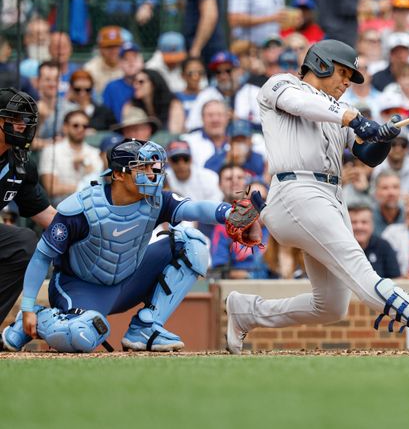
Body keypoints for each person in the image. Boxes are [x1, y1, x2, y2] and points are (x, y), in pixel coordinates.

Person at [225, 39, 409, 356]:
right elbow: (302, 105)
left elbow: (367, 154)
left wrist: (383, 138)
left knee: (330, 306)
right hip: (297, 191)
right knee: (361, 272)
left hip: (330, 197)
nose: (347, 81)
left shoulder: (337, 112)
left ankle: (247, 312)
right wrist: (355, 118)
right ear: (321, 64)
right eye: (343, 72)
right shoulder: (283, 85)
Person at [1, 138, 262, 352]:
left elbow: (196, 208)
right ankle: (38, 319)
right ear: (117, 174)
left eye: (153, 167)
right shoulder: (80, 207)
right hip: (81, 286)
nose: (152, 174)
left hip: (129, 279)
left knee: (192, 244)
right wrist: (26, 307)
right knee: (83, 335)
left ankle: (147, 326)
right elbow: (41, 256)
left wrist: (230, 214)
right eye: (142, 168)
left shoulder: (156, 200)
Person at [0, 89, 57, 327]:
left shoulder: (20, 163)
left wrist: (87, 232)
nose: (21, 125)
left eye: (24, 120)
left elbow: (46, 214)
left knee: (24, 242)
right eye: (12, 118)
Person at [38, 110, 103, 206]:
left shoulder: (95, 153)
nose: (80, 129)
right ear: (65, 127)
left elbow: (99, 187)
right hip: (60, 207)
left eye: (84, 126)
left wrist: (86, 165)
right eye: (75, 125)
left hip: (90, 206)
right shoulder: (51, 151)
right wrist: (83, 187)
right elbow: (52, 189)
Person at [349, 203, 401, 279]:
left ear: (372, 224)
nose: (359, 227)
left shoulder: (384, 246)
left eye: (364, 222)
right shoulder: (339, 248)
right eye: (354, 222)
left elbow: (396, 280)